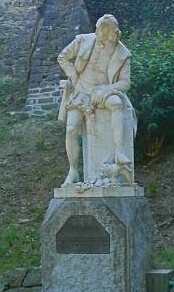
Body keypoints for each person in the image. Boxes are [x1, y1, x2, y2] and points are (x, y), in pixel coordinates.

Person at [57, 14, 135, 186]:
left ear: (113, 34)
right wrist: (73, 77)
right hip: (80, 90)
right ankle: (73, 170)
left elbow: (125, 83)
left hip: (101, 91)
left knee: (116, 104)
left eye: (106, 36)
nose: (102, 37)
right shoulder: (82, 40)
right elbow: (62, 57)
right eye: (100, 33)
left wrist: (108, 89)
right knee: (71, 129)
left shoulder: (122, 53)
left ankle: (119, 151)